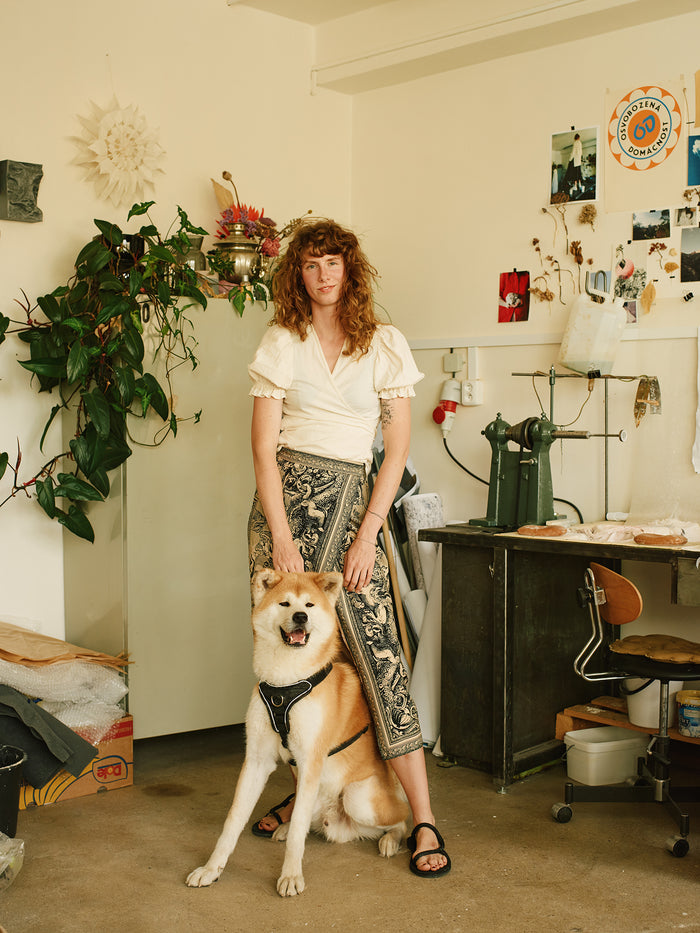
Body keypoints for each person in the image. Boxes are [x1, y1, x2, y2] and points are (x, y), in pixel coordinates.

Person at [246, 219, 450, 877]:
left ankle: (423, 819)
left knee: (381, 664)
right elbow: (263, 449)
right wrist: (280, 536)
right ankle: (304, 791)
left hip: (355, 514)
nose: (323, 274)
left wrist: (368, 534)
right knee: (295, 671)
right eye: (310, 264)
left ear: (349, 269)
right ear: (297, 275)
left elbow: (395, 450)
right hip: (286, 515)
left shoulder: (383, 343)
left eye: (333, 261)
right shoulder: (283, 340)